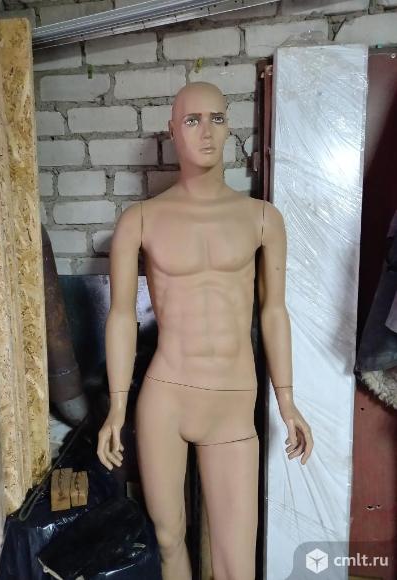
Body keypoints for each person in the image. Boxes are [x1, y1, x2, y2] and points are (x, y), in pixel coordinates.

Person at [98, 81, 314, 580]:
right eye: (192, 120)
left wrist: (286, 401)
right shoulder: (141, 220)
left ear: (228, 126)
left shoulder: (262, 218)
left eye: (217, 118)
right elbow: (121, 316)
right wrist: (117, 406)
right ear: (172, 131)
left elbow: (274, 311)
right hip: (166, 395)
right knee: (169, 540)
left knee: (237, 563)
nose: (206, 132)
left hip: (232, 401)